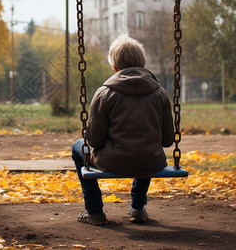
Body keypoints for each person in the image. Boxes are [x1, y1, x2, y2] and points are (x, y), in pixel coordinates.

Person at [72, 34, 174, 226]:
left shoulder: (104, 93)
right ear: (143, 64)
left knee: (78, 147)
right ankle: (137, 208)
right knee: (145, 149)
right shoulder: (160, 93)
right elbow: (168, 140)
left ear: (115, 67)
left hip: (112, 161)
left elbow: (94, 141)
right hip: (151, 160)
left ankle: (94, 211)